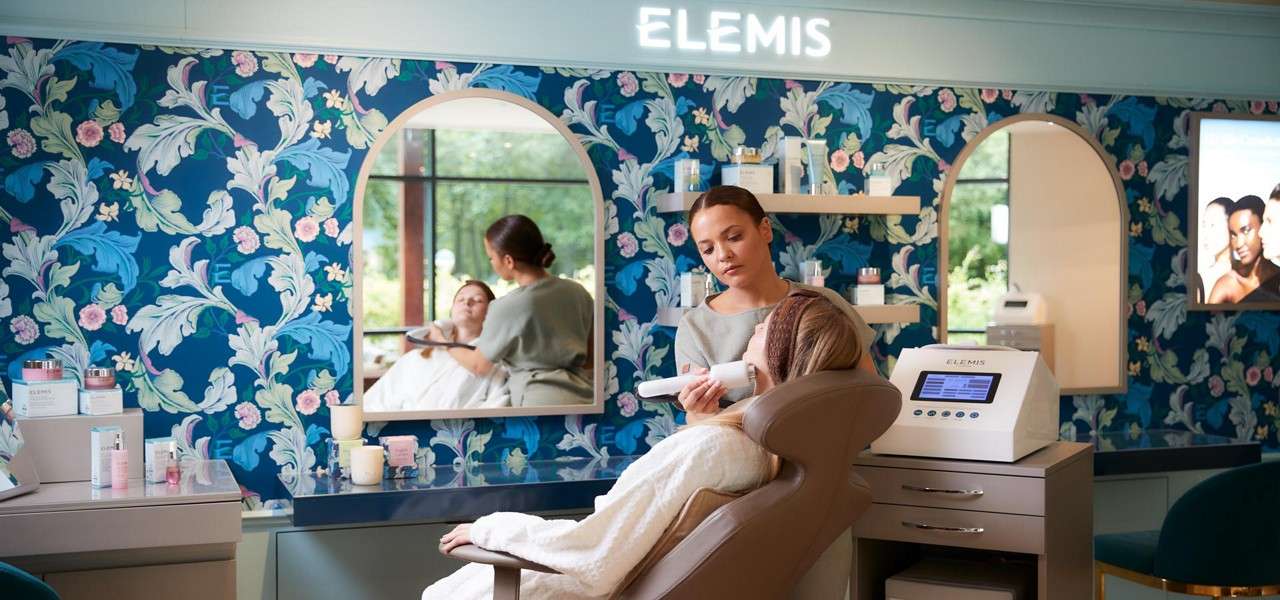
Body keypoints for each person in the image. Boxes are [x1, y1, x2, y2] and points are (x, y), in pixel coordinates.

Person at [423, 291, 865, 600]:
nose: (754, 328)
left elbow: (594, 555)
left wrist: (490, 529)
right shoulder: (770, 455)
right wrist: (704, 419)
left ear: (781, 353)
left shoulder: (713, 447)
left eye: (765, 328)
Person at [672, 185, 875, 599]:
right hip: (738, 499)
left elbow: (868, 396)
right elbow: (701, 428)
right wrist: (700, 411)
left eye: (733, 236)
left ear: (764, 229)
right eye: (707, 249)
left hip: (820, 488)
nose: (723, 256)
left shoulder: (822, 305)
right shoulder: (696, 327)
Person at [433, 215, 594, 406]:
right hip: (586, 400)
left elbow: (478, 365)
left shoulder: (508, 306)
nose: (491, 262)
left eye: (491, 257)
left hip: (539, 405)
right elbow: (591, 359)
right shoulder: (577, 291)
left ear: (508, 261)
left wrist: (441, 341)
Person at [363, 281, 509, 411]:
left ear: (491, 313)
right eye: (460, 299)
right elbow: (373, 403)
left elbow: (496, 408)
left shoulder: (494, 365)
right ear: (451, 311)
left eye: (477, 300)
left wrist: (440, 339)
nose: (467, 302)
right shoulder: (414, 359)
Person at [1208, 195, 1280, 304]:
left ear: (1263, 226)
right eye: (1233, 235)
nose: (1238, 244)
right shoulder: (1228, 285)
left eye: (1246, 230)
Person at [1195, 197, 1234, 303]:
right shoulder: (1201, 279)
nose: (1205, 233)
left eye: (1212, 225)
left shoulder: (1250, 275)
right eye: (1204, 225)